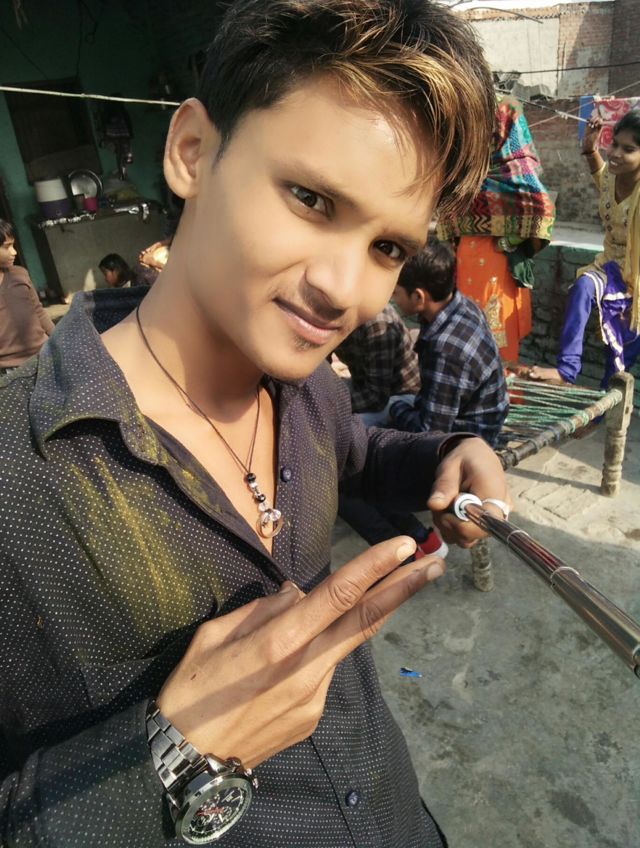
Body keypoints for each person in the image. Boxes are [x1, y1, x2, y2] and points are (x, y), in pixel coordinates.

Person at [0, 3, 509, 846]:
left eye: (387, 248)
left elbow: (354, 452)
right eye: (311, 198)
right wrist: (172, 753)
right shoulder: (18, 477)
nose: (344, 289)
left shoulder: (309, 390)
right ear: (192, 152)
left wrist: (449, 452)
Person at [438, 97, 556, 367]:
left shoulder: (518, 172)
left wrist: (512, 239)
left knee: (494, 331)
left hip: (496, 262)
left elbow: (542, 209)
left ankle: (499, 387)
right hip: (464, 261)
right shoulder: (465, 171)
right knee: (464, 330)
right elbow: (446, 213)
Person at [530, 113, 640, 386]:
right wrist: (590, 147)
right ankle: (567, 370)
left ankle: (606, 407)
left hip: (637, 282)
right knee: (583, 287)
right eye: (614, 144)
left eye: (628, 149)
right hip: (609, 268)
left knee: (618, 362)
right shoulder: (611, 180)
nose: (615, 153)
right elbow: (599, 171)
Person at [335, 304, 448, 559]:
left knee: (340, 464)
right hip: (373, 391)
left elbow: (376, 397)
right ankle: (420, 537)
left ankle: (403, 555)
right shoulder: (333, 312)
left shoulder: (377, 324)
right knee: (347, 461)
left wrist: (330, 409)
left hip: (398, 399)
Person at [391, 241, 509, 447]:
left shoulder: (446, 349)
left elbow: (430, 433)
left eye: (396, 293)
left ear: (418, 297)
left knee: (375, 415)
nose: (393, 299)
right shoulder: (462, 303)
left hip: (470, 438)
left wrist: (394, 408)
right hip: (469, 413)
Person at [334, 303, 420, 426]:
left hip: (400, 394)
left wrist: (332, 407)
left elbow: (377, 398)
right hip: (364, 384)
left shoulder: (378, 324)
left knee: (343, 427)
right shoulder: (328, 314)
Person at [0, 218, 53, 375]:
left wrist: (58, 338)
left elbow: (38, 311)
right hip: (10, 369)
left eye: (13, 245)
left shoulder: (20, 274)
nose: (14, 252)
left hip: (44, 354)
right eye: (7, 247)